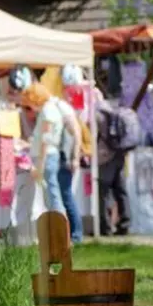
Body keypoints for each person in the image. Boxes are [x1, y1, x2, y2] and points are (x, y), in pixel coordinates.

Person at [97, 87, 139, 236]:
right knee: (121, 189)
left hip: (104, 156)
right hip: (120, 154)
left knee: (102, 192)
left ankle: (105, 227)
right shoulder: (117, 111)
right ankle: (125, 223)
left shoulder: (98, 115)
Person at [21, 84, 65, 224]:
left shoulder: (48, 111)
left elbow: (46, 140)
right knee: (51, 194)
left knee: (52, 194)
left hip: (47, 157)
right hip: (48, 156)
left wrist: (40, 165)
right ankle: (59, 226)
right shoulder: (49, 109)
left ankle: (61, 227)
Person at [55, 84, 85, 243]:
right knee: (65, 197)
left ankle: (76, 235)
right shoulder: (66, 114)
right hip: (66, 160)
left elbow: (76, 135)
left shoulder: (66, 114)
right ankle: (74, 234)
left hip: (65, 160)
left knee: (66, 197)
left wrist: (74, 158)